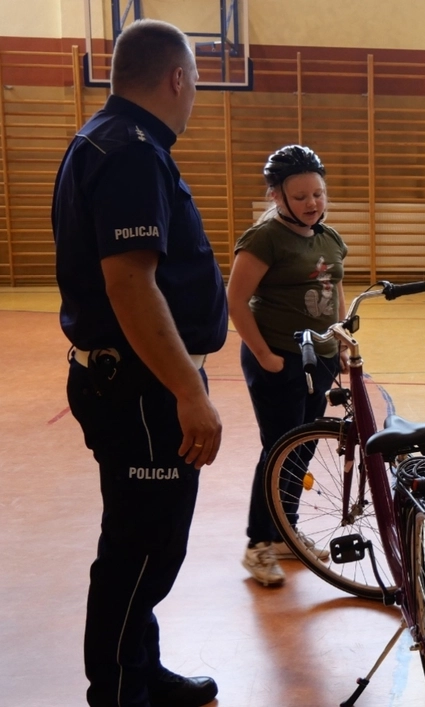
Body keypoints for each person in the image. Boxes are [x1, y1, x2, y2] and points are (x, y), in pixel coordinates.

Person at [52, 19, 224, 707]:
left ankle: (141, 669)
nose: (195, 96)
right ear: (177, 78)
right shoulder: (131, 151)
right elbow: (130, 283)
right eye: (196, 83)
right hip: (145, 388)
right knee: (142, 548)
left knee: (141, 534)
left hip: (133, 380)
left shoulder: (105, 138)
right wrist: (188, 388)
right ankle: (119, 691)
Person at [228, 145, 351, 586]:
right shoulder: (264, 239)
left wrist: (339, 339)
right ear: (277, 197)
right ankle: (258, 546)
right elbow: (236, 301)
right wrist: (264, 355)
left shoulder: (329, 237)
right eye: (300, 197)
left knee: (302, 447)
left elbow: (336, 289)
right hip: (277, 358)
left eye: (318, 193)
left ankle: (285, 531)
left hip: (316, 360)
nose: (312, 203)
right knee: (277, 450)